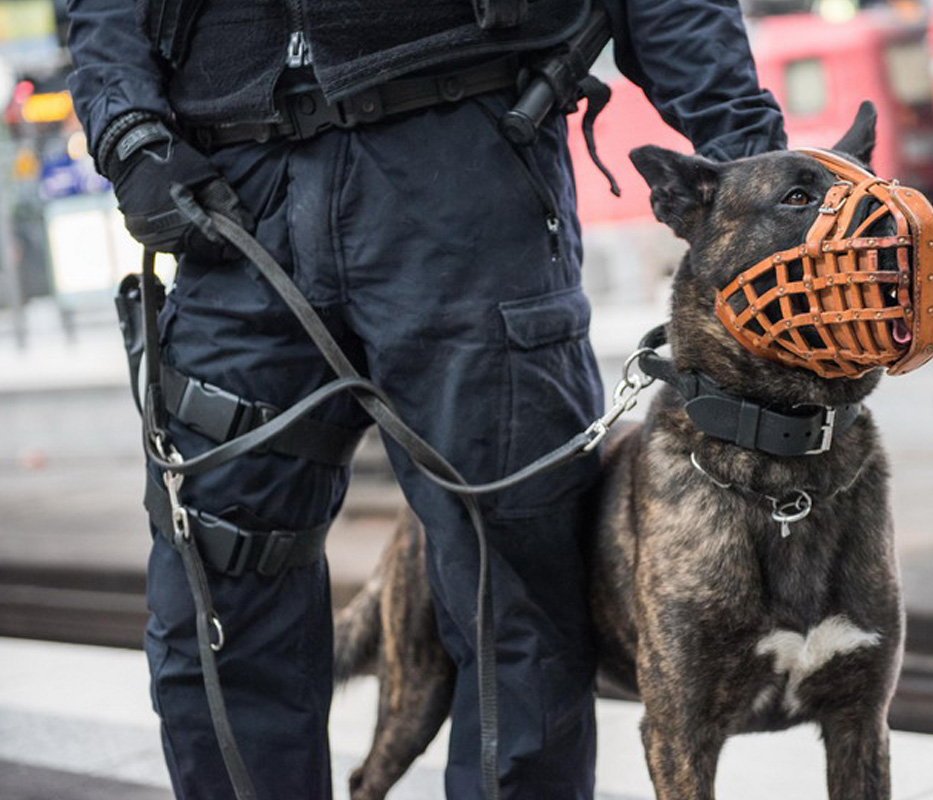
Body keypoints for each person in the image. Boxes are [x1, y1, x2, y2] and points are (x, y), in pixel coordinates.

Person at [65, 1, 786, 798]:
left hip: (467, 169)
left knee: (514, 591)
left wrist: (750, 162)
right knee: (215, 591)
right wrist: (128, 130)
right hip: (230, 200)